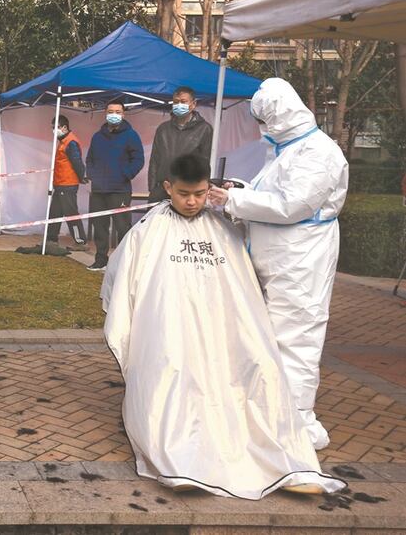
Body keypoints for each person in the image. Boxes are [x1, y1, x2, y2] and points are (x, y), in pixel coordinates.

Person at [102, 154, 344, 499]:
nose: (191, 202)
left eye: (200, 194)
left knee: (260, 366)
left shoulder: (224, 229)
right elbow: (122, 283)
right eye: (184, 193)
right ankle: (179, 457)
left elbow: (243, 282)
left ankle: (285, 461)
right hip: (171, 327)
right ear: (168, 188)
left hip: (224, 327)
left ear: (209, 189)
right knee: (172, 367)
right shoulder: (148, 231)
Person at [208, 77, 349, 451]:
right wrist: (238, 192)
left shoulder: (319, 153)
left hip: (301, 264)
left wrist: (234, 202)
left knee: (296, 341)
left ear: (279, 117)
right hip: (278, 260)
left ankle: (298, 425)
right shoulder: (288, 151)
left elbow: (292, 206)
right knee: (268, 338)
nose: (261, 130)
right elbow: (270, 194)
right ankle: (269, 415)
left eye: (263, 121)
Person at [85, 99, 144, 271]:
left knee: (122, 227)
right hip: (98, 190)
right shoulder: (97, 136)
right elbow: (90, 159)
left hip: (120, 190)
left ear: (123, 114)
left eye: (118, 112)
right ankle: (101, 259)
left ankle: (123, 263)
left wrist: (125, 175)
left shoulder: (131, 135)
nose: (114, 115)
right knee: (100, 226)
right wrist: (93, 176)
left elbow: (138, 159)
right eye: (111, 111)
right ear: (106, 113)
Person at [146, 86, 213, 203]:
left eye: (183, 101)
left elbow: (205, 162)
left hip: (187, 190)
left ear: (193, 104)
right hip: (161, 189)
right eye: (176, 102)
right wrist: (152, 188)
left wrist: (200, 192)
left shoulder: (204, 129)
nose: (179, 105)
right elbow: (154, 160)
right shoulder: (163, 129)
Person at [45, 115, 87, 246]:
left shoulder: (70, 142)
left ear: (64, 127)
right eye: (52, 128)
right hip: (60, 183)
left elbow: (77, 162)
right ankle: (51, 240)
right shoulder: (63, 141)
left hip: (67, 184)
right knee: (54, 213)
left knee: (71, 214)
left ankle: (80, 242)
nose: (53, 131)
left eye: (56, 128)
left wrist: (82, 177)